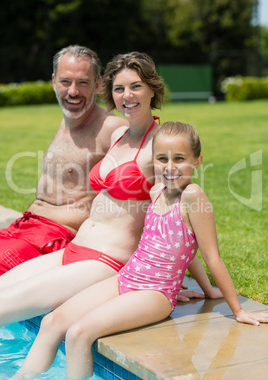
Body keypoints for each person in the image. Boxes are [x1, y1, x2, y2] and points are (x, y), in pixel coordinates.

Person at [9, 121, 268, 380]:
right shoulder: (156, 191)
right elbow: (186, 250)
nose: (169, 167)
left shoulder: (193, 195)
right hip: (126, 278)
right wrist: (208, 290)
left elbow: (212, 256)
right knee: (51, 323)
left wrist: (238, 310)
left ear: (198, 160)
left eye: (179, 159)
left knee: (78, 334)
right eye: (161, 159)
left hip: (155, 292)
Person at [0, 52, 217, 328]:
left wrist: (182, 283)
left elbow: (176, 223)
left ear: (153, 89)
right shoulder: (117, 136)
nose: (127, 95)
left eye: (136, 86)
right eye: (119, 88)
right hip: (75, 248)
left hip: (106, 260)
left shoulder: (160, 146)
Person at [0, 45, 126, 275]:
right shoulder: (68, 120)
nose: (73, 91)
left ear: (98, 85)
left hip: (56, 238)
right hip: (26, 228)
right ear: (53, 81)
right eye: (65, 81)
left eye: (83, 83)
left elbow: (146, 196)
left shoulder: (112, 127)